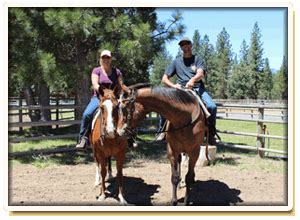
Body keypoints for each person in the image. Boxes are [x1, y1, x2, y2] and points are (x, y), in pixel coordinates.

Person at [161, 37, 218, 145]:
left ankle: (211, 133)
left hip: (197, 88)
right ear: (181, 48)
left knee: (211, 107)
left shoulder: (197, 59)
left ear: (191, 45)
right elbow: (164, 78)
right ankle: (162, 131)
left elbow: (200, 73)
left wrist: (192, 80)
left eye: (187, 44)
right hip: (180, 89)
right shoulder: (176, 62)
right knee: (163, 105)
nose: (185, 46)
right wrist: (173, 86)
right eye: (182, 45)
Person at [76, 49, 130, 149]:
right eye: (103, 57)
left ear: (111, 59)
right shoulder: (96, 71)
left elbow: (121, 85)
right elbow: (95, 84)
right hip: (99, 98)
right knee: (87, 114)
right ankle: (83, 138)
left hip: (114, 99)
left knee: (126, 113)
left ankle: (130, 137)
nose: (106, 59)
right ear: (100, 59)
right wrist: (103, 92)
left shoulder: (117, 72)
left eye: (108, 57)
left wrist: (126, 94)